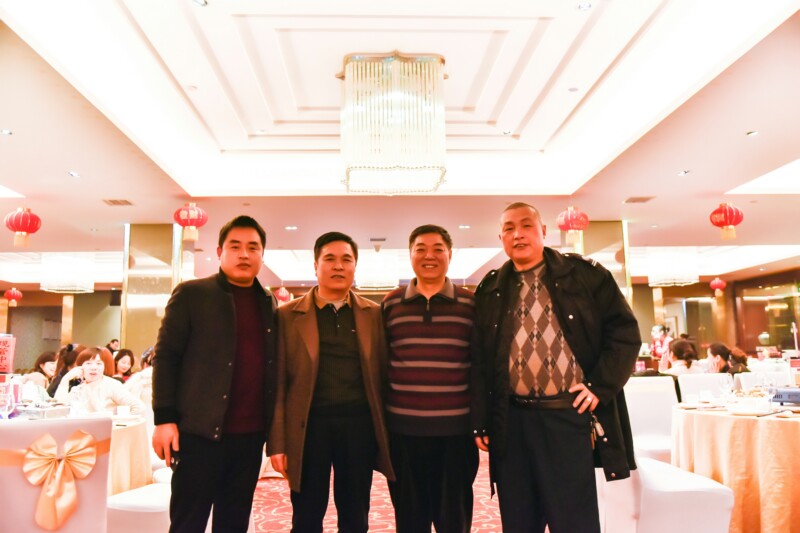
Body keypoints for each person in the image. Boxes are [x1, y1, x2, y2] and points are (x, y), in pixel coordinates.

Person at [473, 202, 640, 532]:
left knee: (574, 520)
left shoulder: (586, 276)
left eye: (526, 225)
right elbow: (479, 360)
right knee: (519, 520)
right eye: (509, 228)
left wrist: (599, 386)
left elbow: (625, 334)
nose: (518, 234)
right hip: (511, 421)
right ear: (501, 237)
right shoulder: (491, 288)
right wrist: (482, 420)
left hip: (568, 417)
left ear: (544, 231)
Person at [152, 215, 278, 533]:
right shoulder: (192, 294)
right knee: (188, 522)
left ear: (262, 255)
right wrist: (164, 419)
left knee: (234, 523)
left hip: (250, 437)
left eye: (253, 247)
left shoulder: (269, 302)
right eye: (235, 246)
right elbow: (166, 357)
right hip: (198, 434)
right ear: (220, 252)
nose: (244, 254)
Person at [268, 231, 393, 533]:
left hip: (358, 426)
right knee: (306, 516)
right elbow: (278, 384)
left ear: (354, 266)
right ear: (315, 265)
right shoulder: (287, 315)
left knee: (356, 514)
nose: (339, 266)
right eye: (330, 259)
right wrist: (277, 442)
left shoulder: (374, 315)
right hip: (308, 428)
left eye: (346, 259)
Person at [381, 224, 479, 533]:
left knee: (454, 520)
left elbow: (480, 365)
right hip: (403, 433)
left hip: (456, 433)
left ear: (450, 255)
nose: (429, 256)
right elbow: (380, 362)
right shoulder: (391, 304)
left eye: (438, 249)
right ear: (410, 255)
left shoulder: (471, 305)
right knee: (410, 520)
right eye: (420, 249)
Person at [54, 346, 145, 415]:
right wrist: (65, 380)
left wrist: (117, 423)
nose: (94, 368)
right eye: (88, 363)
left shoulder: (111, 385)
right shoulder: (78, 389)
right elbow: (59, 413)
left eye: (99, 364)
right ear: (80, 367)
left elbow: (138, 407)